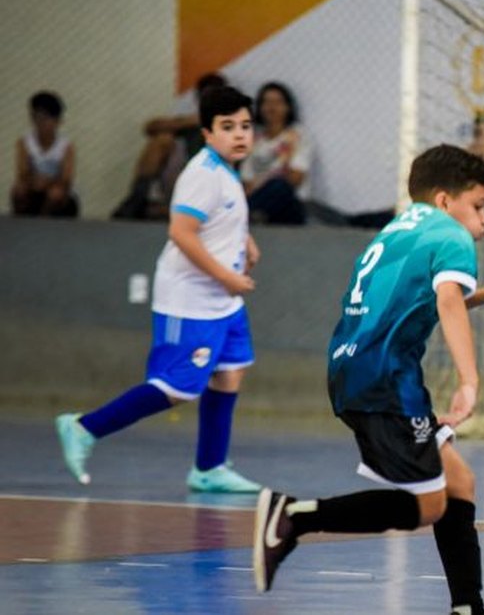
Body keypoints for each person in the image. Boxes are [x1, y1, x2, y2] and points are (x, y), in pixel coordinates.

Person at [253, 144, 484, 615]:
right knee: (429, 505)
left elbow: (416, 299)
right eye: (479, 207)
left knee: (459, 481)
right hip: (386, 379)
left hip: (355, 368)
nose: (482, 221)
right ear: (443, 200)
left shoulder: (397, 231)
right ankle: (293, 515)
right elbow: (447, 302)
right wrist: (469, 380)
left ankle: (467, 607)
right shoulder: (452, 236)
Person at [56, 85, 263, 493]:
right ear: (206, 133)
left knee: (229, 373)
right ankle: (83, 427)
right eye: (227, 127)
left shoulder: (227, 170)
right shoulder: (202, 175)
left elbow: (219, 220)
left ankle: (209, 468)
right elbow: (182, 233)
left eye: (245, 125)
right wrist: (225, 275)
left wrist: (245, 241)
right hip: (191, 301)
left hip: (223, 302)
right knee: (178, 388)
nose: (239, 134)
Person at [112, 72, 227, 220]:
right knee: (162, 140)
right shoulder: (189, 121)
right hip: (180, 177)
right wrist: (189, 122)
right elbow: (150, 127)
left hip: (210, 183)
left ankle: (169, 211)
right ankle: (138, 198)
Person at [240, 81, 314, 225]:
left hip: (289, 204)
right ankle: (251, 215)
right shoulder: (254, 141)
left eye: (278, 102)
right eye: (267, 102)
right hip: (257, 201)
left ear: (288, 107)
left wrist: (286, 155)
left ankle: (244, 217)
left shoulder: (298, 136)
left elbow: (295, 180)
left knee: (280, 186)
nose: (272, 107)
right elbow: (246, 183)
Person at [10, 91, 79, 217]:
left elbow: (66, 179)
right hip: (33, 186)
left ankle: (43, 224)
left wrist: (47, 182)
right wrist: (34, 181)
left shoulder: (66, 147)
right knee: (18, 190)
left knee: (55, 194)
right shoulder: (24, 143)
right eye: (37, 117)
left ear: (57, 121)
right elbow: (22, 173)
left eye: (46, 118)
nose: (41, 123)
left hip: (57, 189)